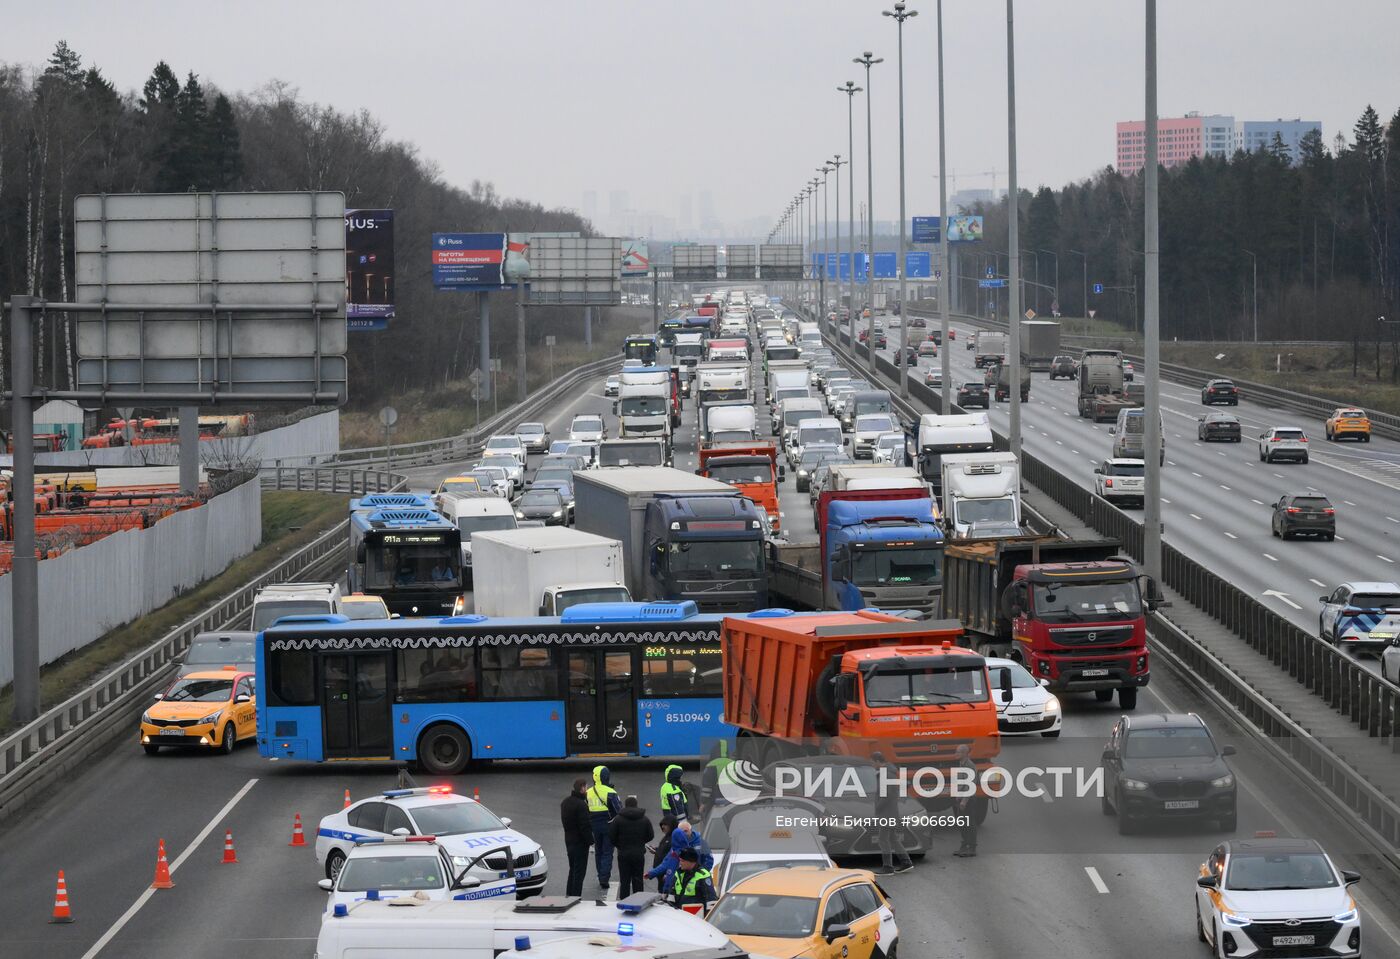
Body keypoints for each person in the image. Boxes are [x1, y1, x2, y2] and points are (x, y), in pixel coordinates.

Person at [870, 751, 913, 875]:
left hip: (886, 812)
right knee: (893, 838)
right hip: (891, 811)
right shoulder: (890, 773)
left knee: (883, 839)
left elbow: (886, 794)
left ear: (878, 761)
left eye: (872, 762)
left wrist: (878, 807)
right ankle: (906, 862)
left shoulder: (885, 774)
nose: (872, 765)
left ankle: (888, 867)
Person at [609, 795, 655, 899]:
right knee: (638, 879)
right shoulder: (644, 819)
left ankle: (624, 900)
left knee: (624, 880)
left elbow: (611, 836)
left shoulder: (618, 819)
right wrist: (641, 842)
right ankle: (638, 900)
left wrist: (619, 845)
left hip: (623, 853)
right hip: (638, 853)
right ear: (636, 805)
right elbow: (651, 835)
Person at [645, 818, 712, 889]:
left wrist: (700, 876)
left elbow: (709, 862)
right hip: (676, 883)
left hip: (693, 881)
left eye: (686, 831)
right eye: (681, 832)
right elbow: (666, 863)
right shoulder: (676, 845)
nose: (684, 834)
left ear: (691, 830)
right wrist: (651, 873)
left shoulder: (702, 843)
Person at [587, 765, 623, 891]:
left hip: (594, 826)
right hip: (608, 825)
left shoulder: (588, 792)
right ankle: (604, 878)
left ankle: (600, 875)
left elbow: (586, 809)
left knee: (599, 851)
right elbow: (619, 810)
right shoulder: (611, 792)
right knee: (607, 852)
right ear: (606, 777)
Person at [560, 778, 593, 897]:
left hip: (569, 840)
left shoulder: (565, 802)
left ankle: (568, 895)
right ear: (582, 788)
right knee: (579, 873)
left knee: (572, 869)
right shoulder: (581, 805)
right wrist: (591, 841)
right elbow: (584, 826)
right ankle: (575, 897)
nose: (587, 790)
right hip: (580, 843)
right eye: (586, 787)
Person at [668, 847, 716, 912]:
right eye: (680, 860)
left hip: (696, 918)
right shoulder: (678, 873)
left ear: (691, 862)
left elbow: (711, 900)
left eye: (682, 861)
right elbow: (671, 897)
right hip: (678, 917)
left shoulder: (703, 875)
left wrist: (707, 918)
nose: (680, 863)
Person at [953, 744, 979, 858]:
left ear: (964, 753)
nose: (956, 754)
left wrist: (964, 801)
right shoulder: (961, 764)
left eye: (958, 752)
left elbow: (970, 786)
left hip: (968, 799)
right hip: (961, 798)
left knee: (970, 823)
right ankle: (965, 845)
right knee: (962, 823)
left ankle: (972, 848)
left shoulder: (969, 766)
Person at [698, 741, 733, 819]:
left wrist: (703, 803)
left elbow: (707, 788)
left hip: (716, 799)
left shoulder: (711, 765)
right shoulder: (733, 763)